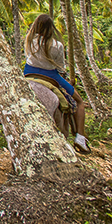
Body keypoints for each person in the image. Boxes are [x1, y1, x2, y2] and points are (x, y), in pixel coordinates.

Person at [23, 13, 90, 154]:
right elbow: (60, 69)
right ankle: (80, 138)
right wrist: (68, 82)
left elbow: (27, 57)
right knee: (79, 102)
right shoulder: (57, 45)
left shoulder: (29, 40)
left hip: (29, 73)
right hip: (51, 76)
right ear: (51, 28)